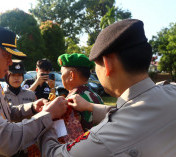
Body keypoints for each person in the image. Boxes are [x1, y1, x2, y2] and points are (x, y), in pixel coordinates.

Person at [39, 19, 176, 157]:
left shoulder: (105, 137)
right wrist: (91, 107)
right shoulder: (171, 90)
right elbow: (133, 111)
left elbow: (53, 154)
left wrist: (46, 117)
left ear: (107, 64)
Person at [0, 25, 67, 157]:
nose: (10, 62)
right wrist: (48, 114)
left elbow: (7, 112)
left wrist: (32, 107)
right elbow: (5, 140)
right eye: (7, 55)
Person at [58, 53, 104, 131]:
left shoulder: (71, 101)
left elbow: (66, 137)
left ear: (71, 75)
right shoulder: (96, 96)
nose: (61, 76)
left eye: (62, 73)